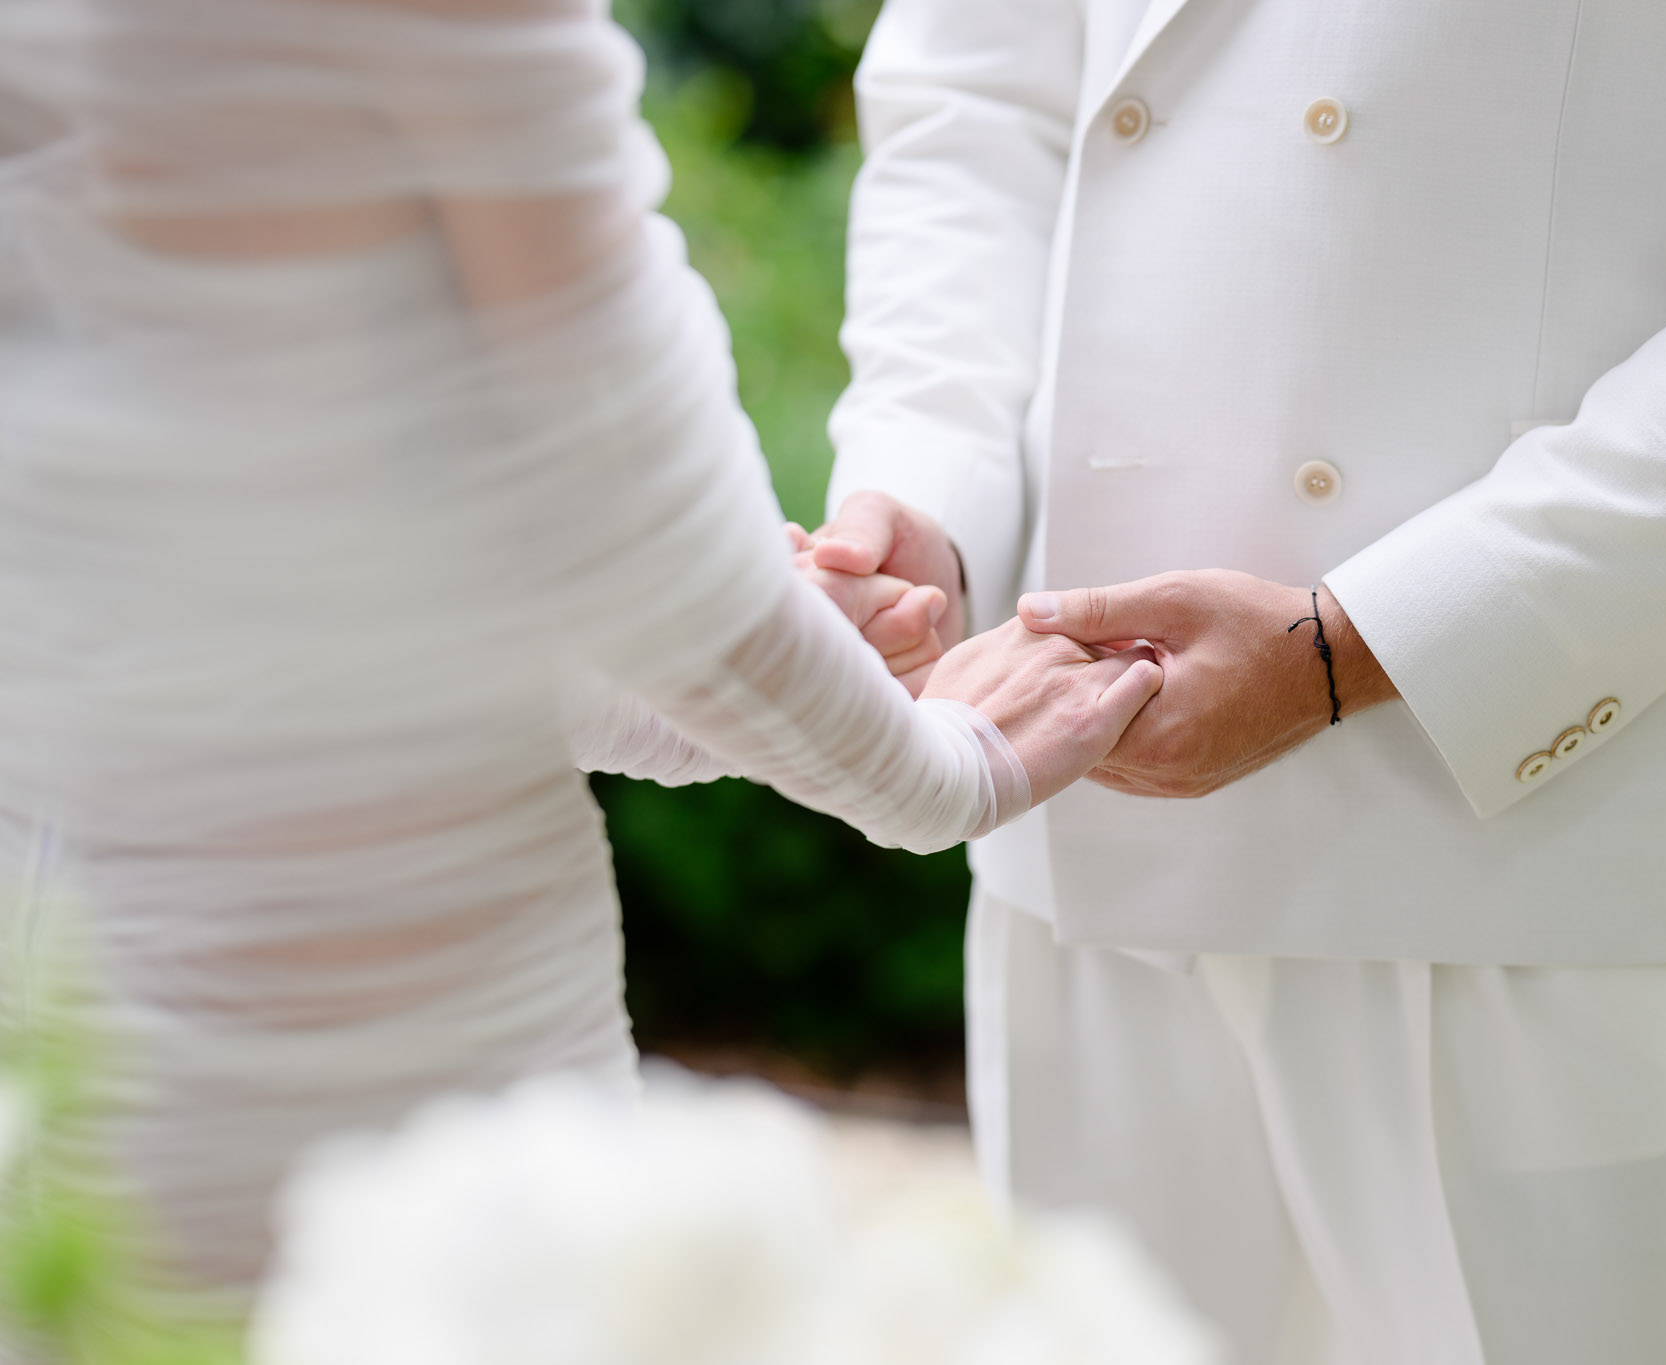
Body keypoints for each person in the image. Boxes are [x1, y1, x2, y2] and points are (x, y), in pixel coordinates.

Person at [811, 1, 1666, 1361]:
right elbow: (978, 97)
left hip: (1566, 896)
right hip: (1092, 862)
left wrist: (1376, 638)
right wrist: (930, 482)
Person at [0, 0, 1160, 1312]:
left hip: (64, 1029)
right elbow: (646, 545)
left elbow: (224, 566)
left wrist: (723, 692)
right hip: (387, 1065)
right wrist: (940, 769)